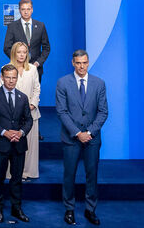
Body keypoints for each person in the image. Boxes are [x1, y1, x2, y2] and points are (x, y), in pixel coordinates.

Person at [56, 50, 108, 226]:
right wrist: (78, 133)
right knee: (69, 174)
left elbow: (103, 112)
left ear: (88, 62)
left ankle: (90, 209)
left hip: (92, 139)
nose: (81, 66)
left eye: (84, 63)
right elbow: (62, 112)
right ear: (73, 63)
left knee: (92, 174)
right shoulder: (63, 82)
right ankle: (69, 209)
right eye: (78, 63)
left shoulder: (99, 83)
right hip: (71, 138)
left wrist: (90, 133)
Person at [0, 64, 33, 223]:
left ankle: (16, 208)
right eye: (8, 77)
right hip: (0, 144)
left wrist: (21, 132)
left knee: (17, 178)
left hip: (18, 144)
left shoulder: (23, 97)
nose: (11, 81)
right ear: (2, 77)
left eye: (14, 78)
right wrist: (4, 132)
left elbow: (28, 120)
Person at [6, 42, 41, 179]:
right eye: (19, 52)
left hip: (30, 112)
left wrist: (32, 104)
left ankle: (28, 172)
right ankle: (13, 173)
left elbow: (37, 89)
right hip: (12, 114)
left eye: (24, 52)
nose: (22, 55)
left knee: (30, 146)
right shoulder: (6, 68)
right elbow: (3, 90)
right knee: (14, 145)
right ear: (14, 53)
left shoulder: (32, 69)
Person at [3, 0, 50, 81]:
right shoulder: (12, 26)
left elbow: (46, 48)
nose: (26, 12)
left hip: (36, 69)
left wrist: (38, 63)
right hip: (18, 69)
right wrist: (18, 61)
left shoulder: (40, 26)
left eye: (28, 9)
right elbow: (7, 48)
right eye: (23, 9)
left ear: (32, 10)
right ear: (19, 10)